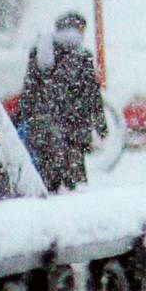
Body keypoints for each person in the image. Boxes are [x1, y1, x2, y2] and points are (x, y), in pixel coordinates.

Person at [20, 11, 106, 193]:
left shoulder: (40, 52)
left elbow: (29, 90)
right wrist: (100, 125)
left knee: (47, 182)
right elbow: (92, 96)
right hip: (74, 131)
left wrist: (26, 117)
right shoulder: (82, 56)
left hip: (43, 130)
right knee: (74, 186)